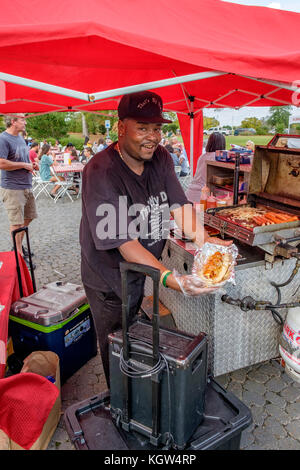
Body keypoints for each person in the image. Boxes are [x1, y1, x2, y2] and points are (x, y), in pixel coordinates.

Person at [79, 90, 231, 386]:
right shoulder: (100, 171)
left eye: (158, 128)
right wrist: (172, 280)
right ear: (121, 127)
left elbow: (180, 206)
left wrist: (205, 241)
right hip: (108, 277)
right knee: (115, 340)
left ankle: (137, 388)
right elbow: (125, 244)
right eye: (143, 128)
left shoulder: (161, 157)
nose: (153, 137)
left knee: (133, 325)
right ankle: (119, 401)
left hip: (140, 270)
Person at [0, 113, 38, 267]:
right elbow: (1, 163)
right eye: (22, 119)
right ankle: (18, 256)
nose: (25, 122)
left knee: (29, 217)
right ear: (13, 121)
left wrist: (31, 164)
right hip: (12, 187)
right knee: (16, 223)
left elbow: (23, 158)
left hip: (26, 184)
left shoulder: (20, 138)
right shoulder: (3, 139)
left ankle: (17, 246)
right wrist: (23, 165)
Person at [185, 132, 226, 203]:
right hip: (201, 196)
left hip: (190, 193)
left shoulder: (203, 156)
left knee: (188, 214)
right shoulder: (217, 158)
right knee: (199, 214)